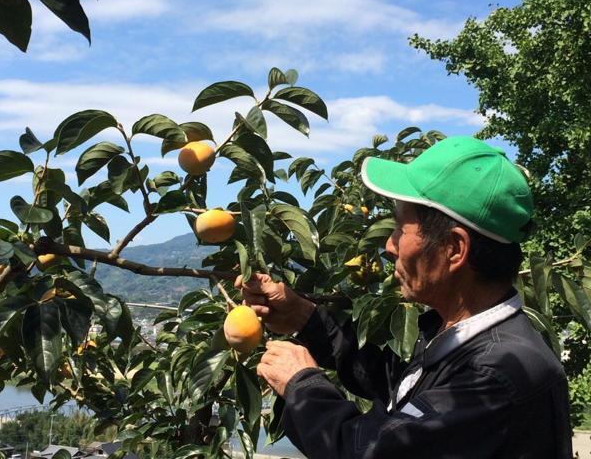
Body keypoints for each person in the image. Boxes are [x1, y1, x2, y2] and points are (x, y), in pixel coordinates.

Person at [237, 136, 573, 459]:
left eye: (401, 229)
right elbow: (397, 382)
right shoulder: (459, 336)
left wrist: (302, 383)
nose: (389, 245)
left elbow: (372, 451)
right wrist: (303, 316)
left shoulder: (495, 377)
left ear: (454, 249)